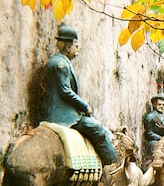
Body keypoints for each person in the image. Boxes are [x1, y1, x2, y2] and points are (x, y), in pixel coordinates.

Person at [44, 25, 118, 165]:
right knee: (98, 129)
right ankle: (112, 166)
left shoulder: (57, 61)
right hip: (63, 115)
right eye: (76, 46)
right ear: (67, 47)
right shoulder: (62, 64)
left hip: (53, 110)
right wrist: (85, 106)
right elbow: (66, 92)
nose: (78, 49)